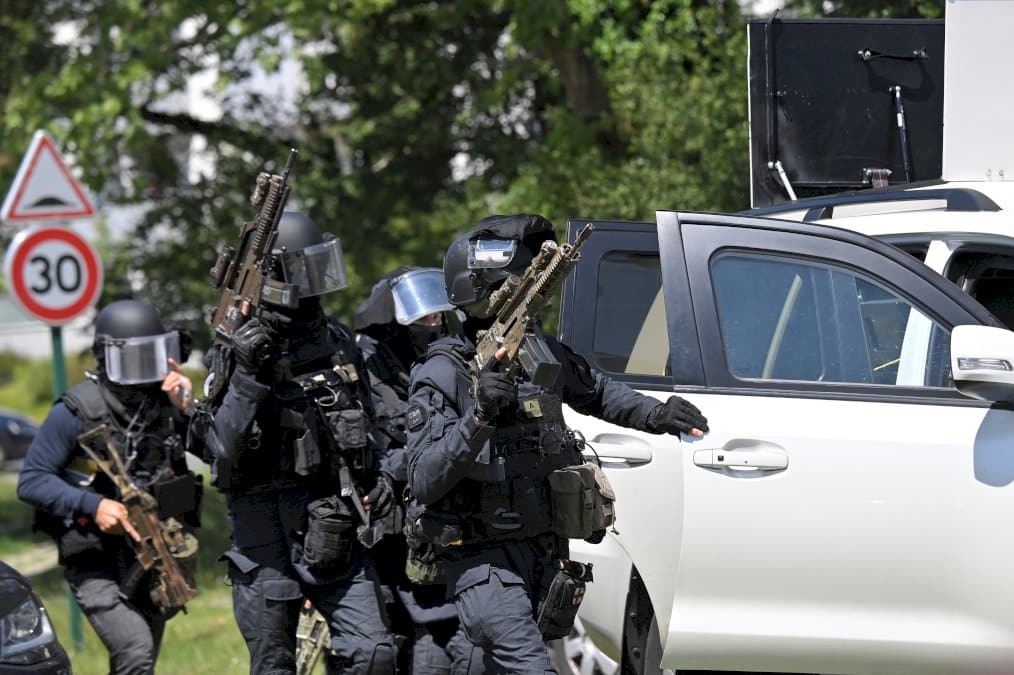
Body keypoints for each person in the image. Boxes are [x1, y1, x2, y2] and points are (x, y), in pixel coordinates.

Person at [405, 214, 709, 673]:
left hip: (542, 556)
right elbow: (424, 478)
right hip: (484, 563)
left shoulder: (537, 351)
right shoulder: (444, 372)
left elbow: (596, 390)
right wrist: (480, 415)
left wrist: (656, 414)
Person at [193, 211, 397, 675]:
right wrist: (249, 373)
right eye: (305, 269)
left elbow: (375, 419)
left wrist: (384, 471)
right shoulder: (233, 349)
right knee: (274, 664)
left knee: (374, 653)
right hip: (262, 529)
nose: (317, 281)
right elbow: (220, 445)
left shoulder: (338, 341)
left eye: (320, 264)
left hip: (331, 519)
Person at [18, 299, 201, 675]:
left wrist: (189, 409)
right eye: (135, 356)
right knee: (135, 650)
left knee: (140, 659)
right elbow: (32, 480)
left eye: (153, 353)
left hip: (155, 558)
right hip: (95, 562)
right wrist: (93, 505)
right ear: (108, 356)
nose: (146, 366)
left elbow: (220, 455)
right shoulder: (76, 411)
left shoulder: (166, 405)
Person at [354, 267, 483, 674]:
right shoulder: (369, 366)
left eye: (437, 318)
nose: (434, 325)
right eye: (423, 319)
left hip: (441, 510)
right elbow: (373, 442)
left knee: (441, 625)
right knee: (393, 632)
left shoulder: (446, 362)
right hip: (388, 517)